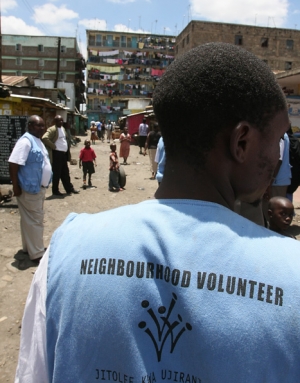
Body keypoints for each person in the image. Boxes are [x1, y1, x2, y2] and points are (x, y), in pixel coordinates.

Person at [15, 43, 300, 382]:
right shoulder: (292, 274)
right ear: (241, 142)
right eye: (279, 139)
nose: (281, 156)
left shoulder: (65, 251)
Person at [8, 116, 52, 268]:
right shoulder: (26, 141)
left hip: (37, 188)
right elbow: (13, 163)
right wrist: (15, 186)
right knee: (35, 221)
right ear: (30, 126)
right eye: (39, 126)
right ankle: (37, 254)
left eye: (43, 125)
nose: (42, 128)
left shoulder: (37, 140)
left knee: (28, 220)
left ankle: (29, 249)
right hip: (29, 189)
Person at [42, 115, 79, 196]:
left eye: (62, 120)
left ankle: (69, 189)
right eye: (59, 121)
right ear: (55, 121)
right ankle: (55, 191)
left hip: (63, 154)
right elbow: (44, 138)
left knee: (65, 172)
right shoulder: (52, 129)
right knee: (57, 173)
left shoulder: (62, 129)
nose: (61, 122)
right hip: (57, 154)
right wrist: (53, 146)